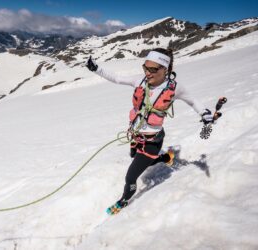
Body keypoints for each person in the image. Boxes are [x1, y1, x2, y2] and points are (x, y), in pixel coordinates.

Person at [86, 48, 214, 214]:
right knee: (134, 156)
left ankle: (123, 201)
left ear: (164, 69)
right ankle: (164, 157)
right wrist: (96, 69)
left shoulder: (174, 88)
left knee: (131, 176)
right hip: (136, 135)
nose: (147, 72)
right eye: (145, 67)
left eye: (153, 69)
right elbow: (117, 78)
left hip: (153, 140)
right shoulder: (140, 81)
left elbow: (193, 101)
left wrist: (204, 113)